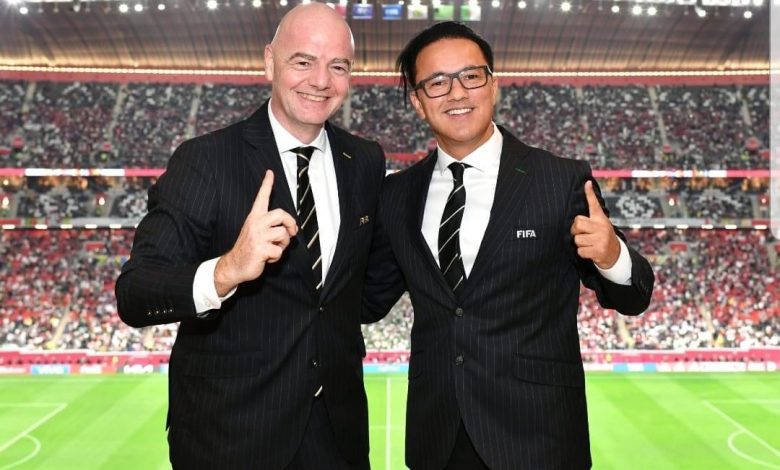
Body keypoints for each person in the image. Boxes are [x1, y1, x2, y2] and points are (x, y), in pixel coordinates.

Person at [363, 22, 654, 470]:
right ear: (418, 102)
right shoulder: (397, 195)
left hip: (539, 438)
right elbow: (367, 299)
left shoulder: (559, 179)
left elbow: (633, 297)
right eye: (437, 82)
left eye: (470, 76)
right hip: (438, 440)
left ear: (493, 85)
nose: (457, 93)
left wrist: (612, 255)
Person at [115, 4, 384, 469]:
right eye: (303, 61)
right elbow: (135, 294)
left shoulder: (364, 160)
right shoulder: (205, 160)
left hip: (337, 438)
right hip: (230, 439)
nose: (321, 80)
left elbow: (351, 293)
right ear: (269, 63)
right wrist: (226, 270)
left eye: (338, 66)